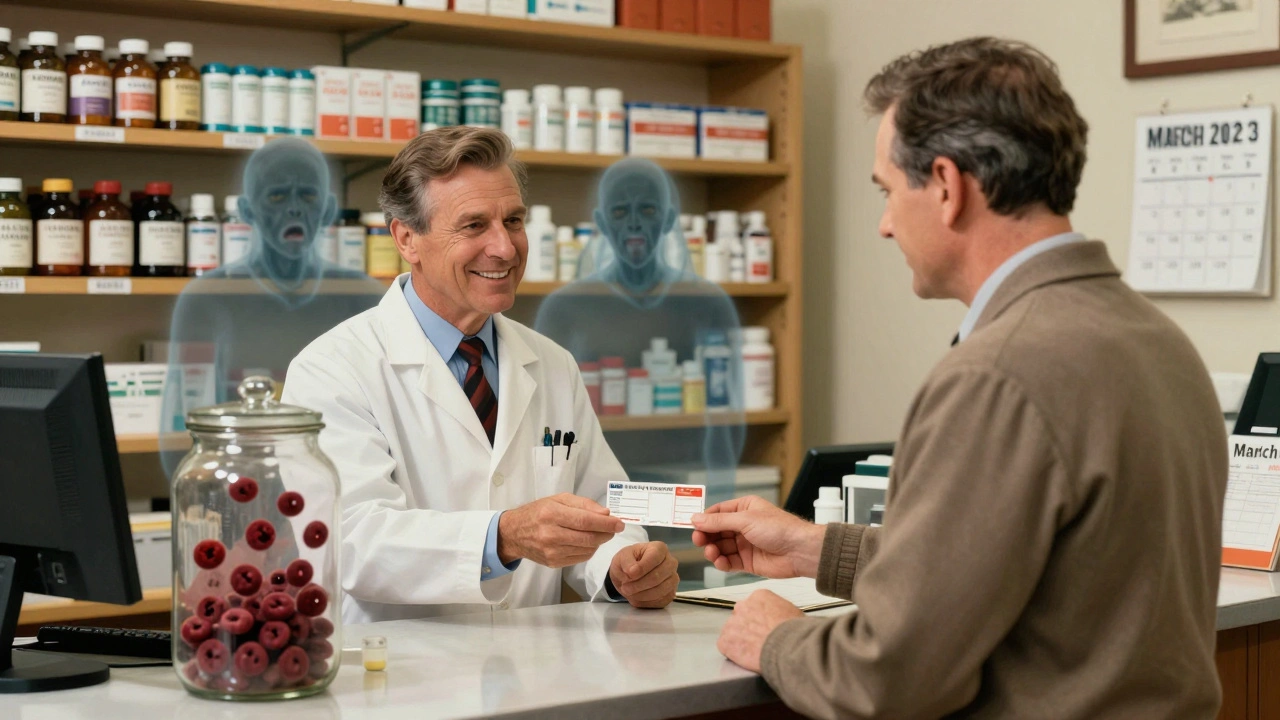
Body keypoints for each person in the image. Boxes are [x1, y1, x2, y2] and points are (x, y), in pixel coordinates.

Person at [691, 37, 1227, 718]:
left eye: (887, 192)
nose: (884, 226)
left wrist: (777, 640)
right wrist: (813, 547)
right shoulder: (1157, 340)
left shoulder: (999, 376)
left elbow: (887, 679)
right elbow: (1030, 569)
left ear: (946, 186)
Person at [282, 127, 680, 623]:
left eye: (513, 221)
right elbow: (352, 541)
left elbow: (600, 506)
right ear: (407, 238)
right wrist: (505, 536)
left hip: (534, 667)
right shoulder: (332, 371)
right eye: (473, 226)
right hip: (399, 678)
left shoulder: (551, 363)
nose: (506, 249)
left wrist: (622, 567)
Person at [161, 139, 385, 478]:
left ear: (326, 209)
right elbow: (182, 425)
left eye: (306, 195)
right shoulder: (206, 298)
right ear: (248, 210)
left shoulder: (367, 295)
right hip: (242, 486)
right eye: (278, 196)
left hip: (348, 488)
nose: (294, 209)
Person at [535, 158, 744, 489]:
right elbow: (546, 426)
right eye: (620, 213)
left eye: (647, 210)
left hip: (687, 489)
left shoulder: (707, 301)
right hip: (595, 496)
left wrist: (722, 498)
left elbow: (727, 421)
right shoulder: (564, 306)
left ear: (668, 220)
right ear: (602, 222)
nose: (634, 224)